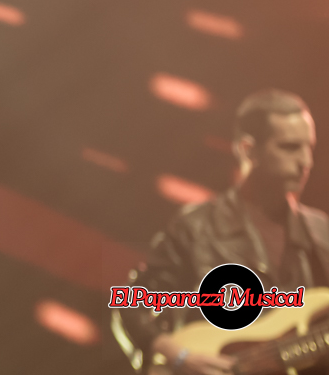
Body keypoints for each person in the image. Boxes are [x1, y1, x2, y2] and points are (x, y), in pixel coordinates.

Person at [112, 89, 329, 374]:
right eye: (290, 147)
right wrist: (178, 356)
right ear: (248, 150)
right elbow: (132, 303)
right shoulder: (196, 227)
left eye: (309, 147)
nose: (305, 161)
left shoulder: (321, 232)